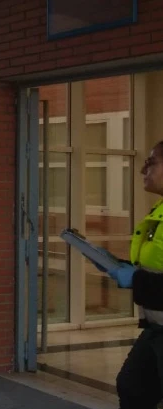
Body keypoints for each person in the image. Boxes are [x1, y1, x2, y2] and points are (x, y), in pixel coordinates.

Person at [93, 141, 163, 409]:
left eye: (152, 162)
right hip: (156, 326)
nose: (143, 169)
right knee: (133, 387)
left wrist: (134, 278)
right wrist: (117, 265)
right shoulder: (159, 210)